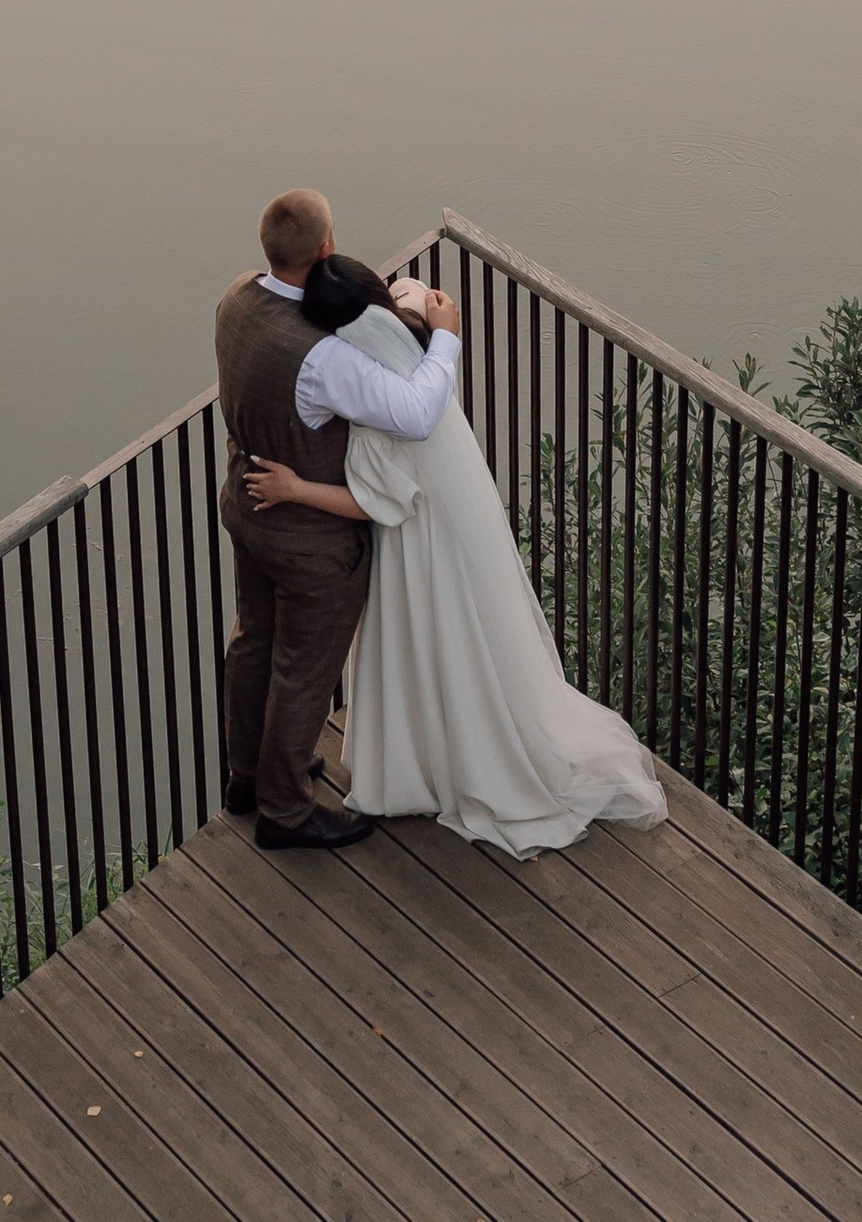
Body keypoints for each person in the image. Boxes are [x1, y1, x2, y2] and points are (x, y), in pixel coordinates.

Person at [245, 251, 666, 859]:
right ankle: (459, 743)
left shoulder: (375, 417)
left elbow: (376, 501)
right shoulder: (417, 362)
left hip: (416, 546)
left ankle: (430, 761)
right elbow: (411, 291)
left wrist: (296, 489)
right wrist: (438, 327)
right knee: (460, 641)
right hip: (451, 527)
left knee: (428, 641)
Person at [214, 188, 462, 853]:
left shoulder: (237, 296)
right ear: (326, 249)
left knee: (253, 641)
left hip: (245, 504)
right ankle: (286, 809)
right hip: (310, 539)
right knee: (303, 667)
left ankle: (246, 778)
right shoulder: (323, 358)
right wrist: (445, 338)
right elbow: (415, 412)